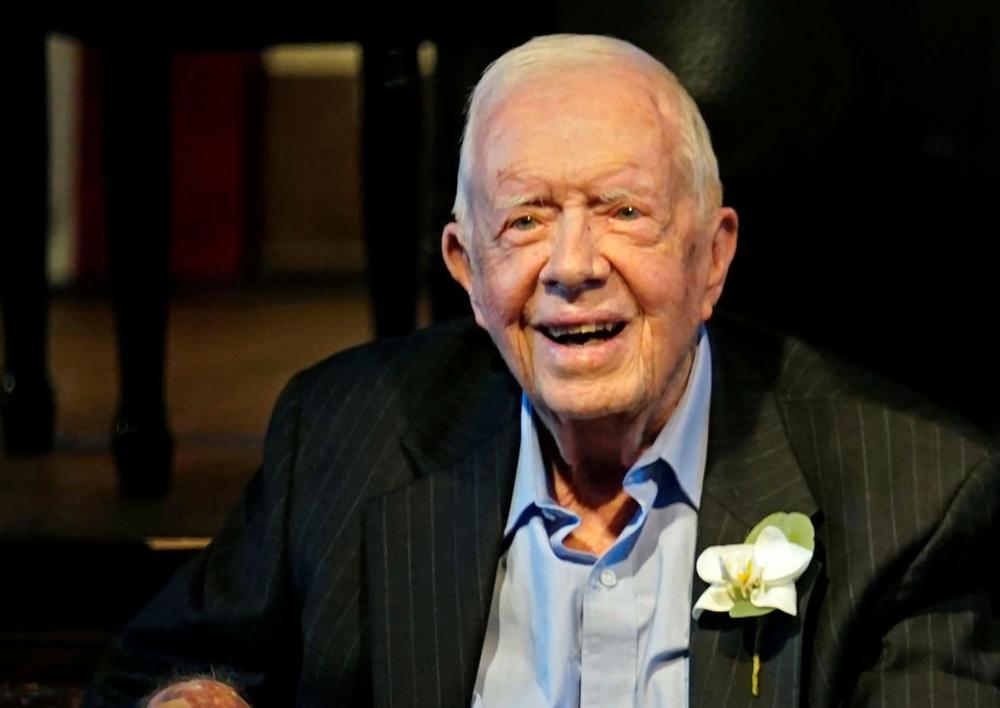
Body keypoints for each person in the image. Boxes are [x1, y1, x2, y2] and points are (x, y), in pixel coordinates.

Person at [86, 34, 999, 707]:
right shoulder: (340, 436)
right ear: (465, 268)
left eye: (621, 209)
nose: (571, 265)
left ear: (711, 259)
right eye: (524, 220)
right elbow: (145, 674)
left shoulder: (912, 496)